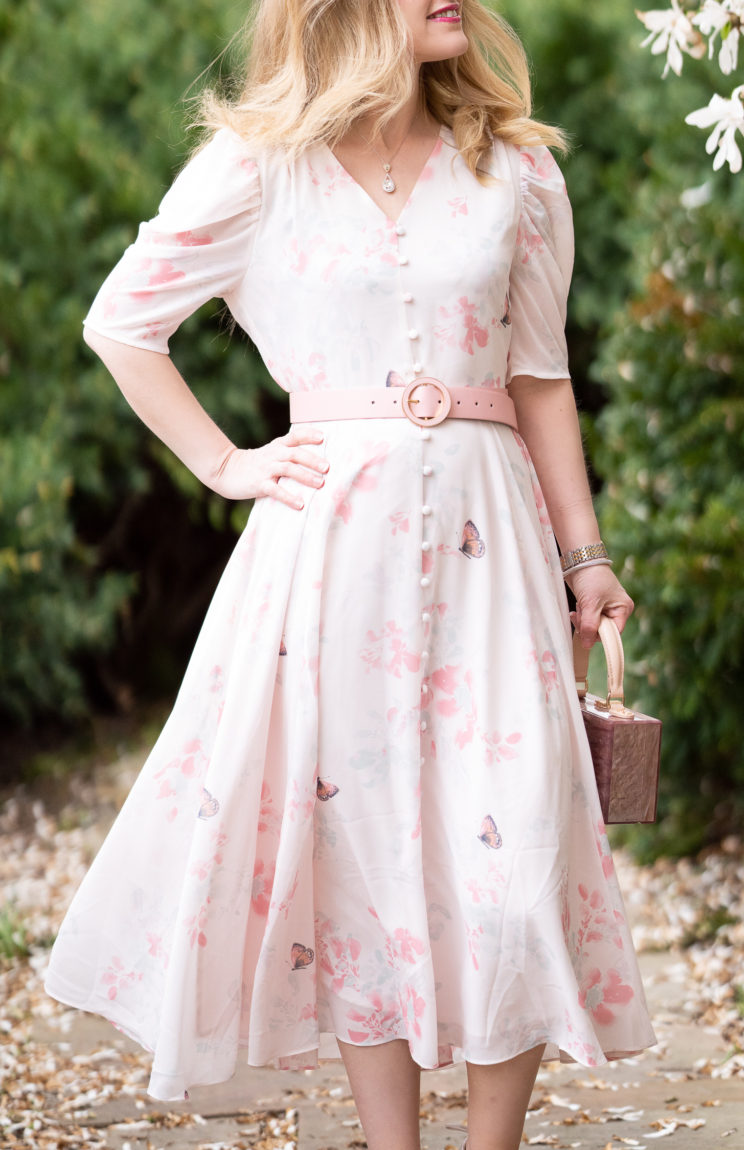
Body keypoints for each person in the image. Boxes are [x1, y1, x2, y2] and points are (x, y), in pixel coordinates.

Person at [44, 1, 657, 1147]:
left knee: (517, 853)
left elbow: (540, 376)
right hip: (332, 565)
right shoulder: (257, 167)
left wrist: (587, 556)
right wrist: (225, 463)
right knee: (362, 852)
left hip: (492, 555)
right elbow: (122, 322)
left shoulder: (517, 171)